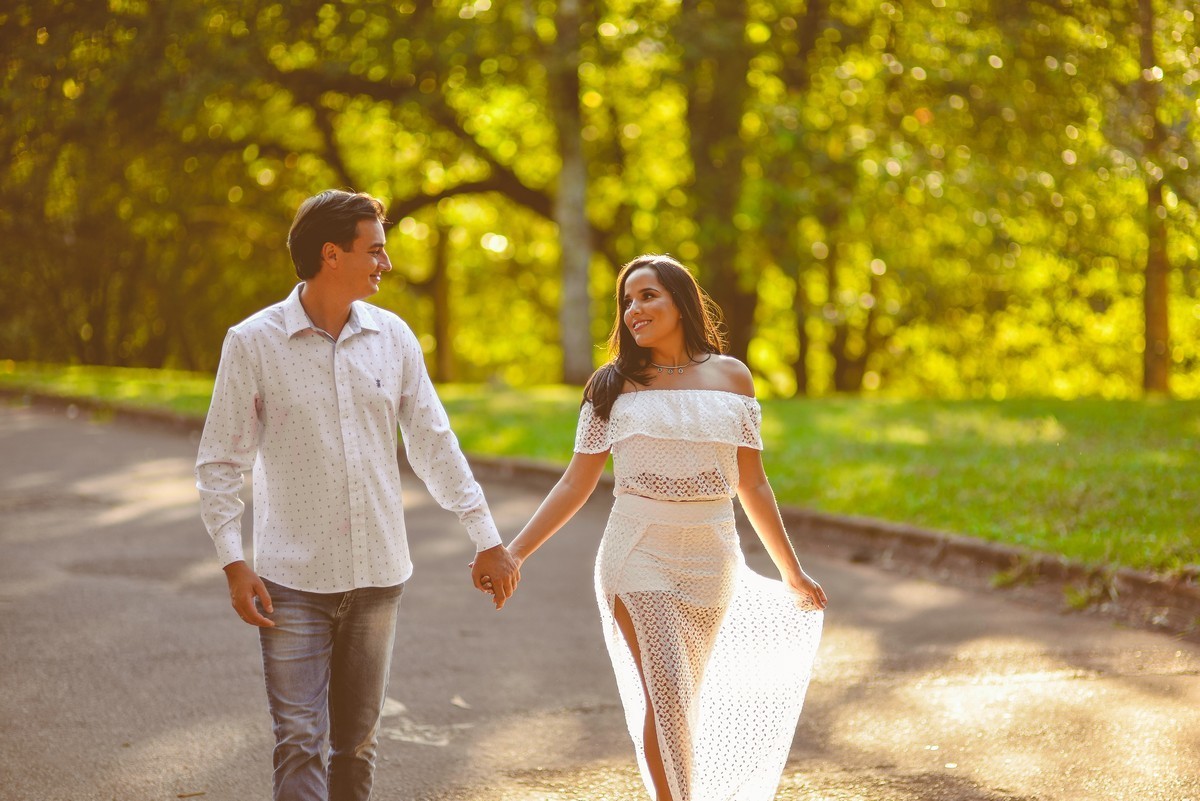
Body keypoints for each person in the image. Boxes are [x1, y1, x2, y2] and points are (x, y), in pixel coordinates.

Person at [195, 189, 520, 801]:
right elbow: (220, 463)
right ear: (331, 254)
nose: (386, 264)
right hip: (290, 582)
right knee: (297, 741)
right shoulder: (252, 342)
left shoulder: (393, 338)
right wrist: (234, 563)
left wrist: (487, 538)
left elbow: (434, 443)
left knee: (358, 746)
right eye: (375, 251)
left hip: (377, 577)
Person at [498, 254, 826, 801]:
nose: (633, 309)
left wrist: (791, 572)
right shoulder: (612, 385)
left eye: (647, 295)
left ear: (681, 300)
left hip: (713, 556)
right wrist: (515, 552)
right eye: (627, 301)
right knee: (669, 692)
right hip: (637, 551)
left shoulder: (733, 376)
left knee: (682, 701)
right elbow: (575, 485)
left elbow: (754, 483)